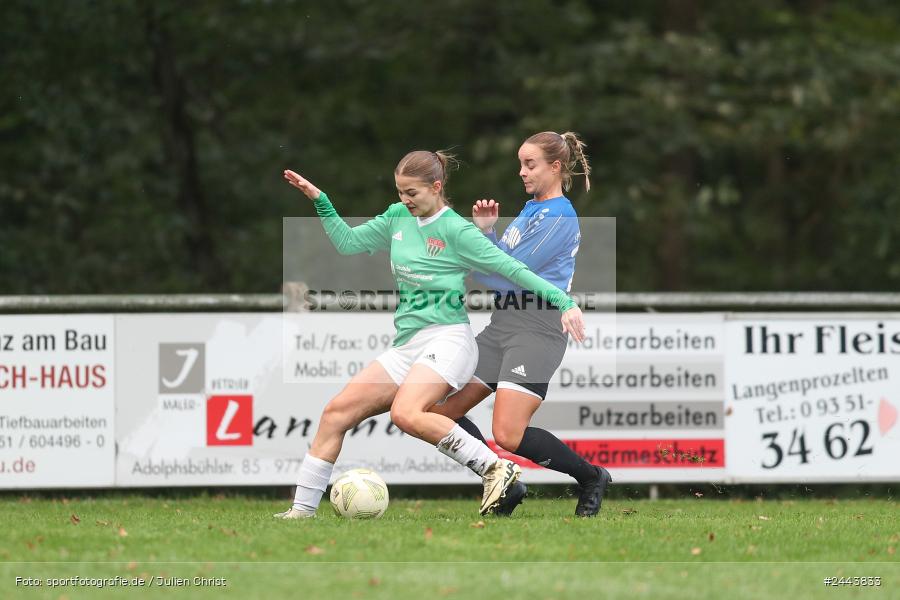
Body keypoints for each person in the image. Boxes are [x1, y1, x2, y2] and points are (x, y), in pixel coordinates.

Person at [275, 150, 586, 519]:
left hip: (448, 339)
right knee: (336, 413)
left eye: (412, 193)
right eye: (400, 192)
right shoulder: (396, 217)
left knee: (406, 413)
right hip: (409, 343)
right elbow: (347, 243)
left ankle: (497, 468)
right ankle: (301, 513)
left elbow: (515, 271)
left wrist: (563, 302)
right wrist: (321, 201)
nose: (404, 200)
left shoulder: (458, 230)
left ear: (436, 187)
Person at [431, 132, 612, 517]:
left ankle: (592, 477)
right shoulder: (532, 209)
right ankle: (499, 478)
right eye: (521, 163)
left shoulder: (560, 215)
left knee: (508, 434)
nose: (521, 172)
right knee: (435, 410)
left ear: (555, 167)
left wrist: (459, 259)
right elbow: (505, 262)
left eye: (530, 164)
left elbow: (510, 275)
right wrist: (487, 233)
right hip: (504, 324)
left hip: (537, 329)